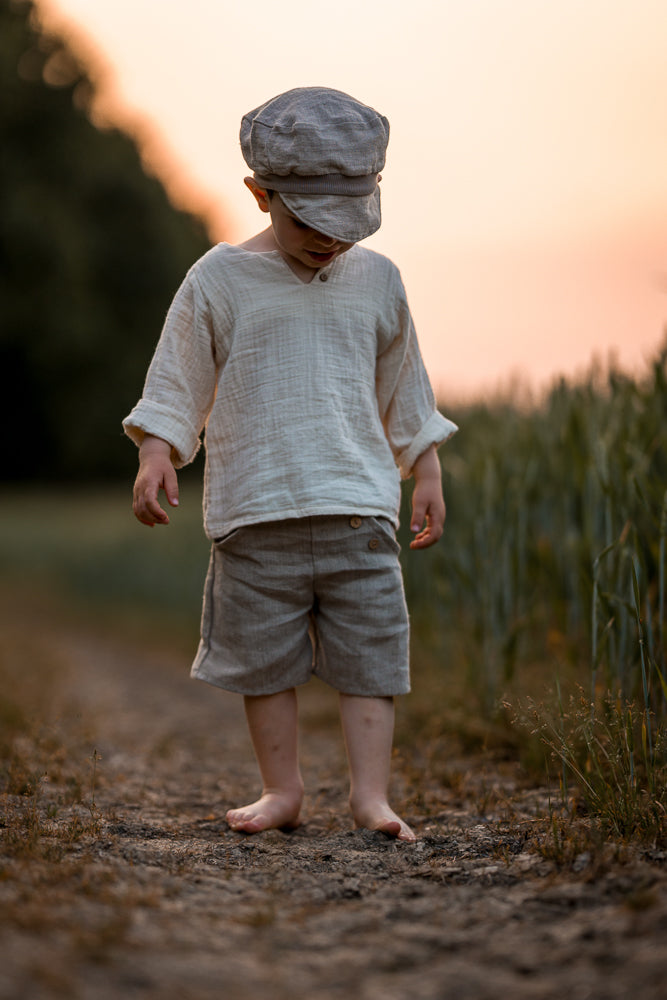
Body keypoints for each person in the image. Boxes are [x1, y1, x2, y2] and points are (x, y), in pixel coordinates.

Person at [123, 87, 457, 842]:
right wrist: (157, 448)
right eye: (309, 221)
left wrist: (426, 467)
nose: (329, 240)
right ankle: (282, 789)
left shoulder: (379, 280)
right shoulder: (217, 279)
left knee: (370, 657)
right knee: (265, 661)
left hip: (358, 511)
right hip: (255, 511)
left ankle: (371, 797)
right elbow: (178, 375)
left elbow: (404, 382)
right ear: (260, 193)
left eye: (346, 223)